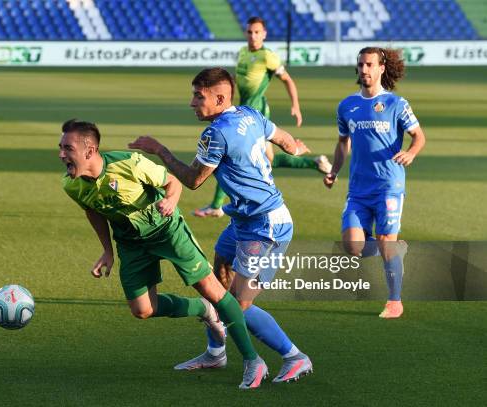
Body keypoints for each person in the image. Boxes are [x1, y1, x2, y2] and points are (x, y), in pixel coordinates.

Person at [129, 67, 313, 384]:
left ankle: (294, 357)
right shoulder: (250, 114)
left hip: (266, 225)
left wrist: (160, 151)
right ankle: (216, 353)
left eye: (198, 96)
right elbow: (282, 137)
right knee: (218, 288)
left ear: (219, 97)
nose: (192, 103)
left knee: (236, 305)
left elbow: (193, 180)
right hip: (243, 220)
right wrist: (296, 148)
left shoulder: (215, 134)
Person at [58, 119, 269, 389]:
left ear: (90, 151)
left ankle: (253, 360)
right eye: (61, 147)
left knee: (213, 289)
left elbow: (173, 183)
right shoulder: (71, 185)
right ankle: (204, 310)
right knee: (142, 310)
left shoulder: (129, 164)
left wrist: (170, 201)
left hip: (166, 231)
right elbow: (93, 211)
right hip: (131, 243)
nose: (62, 154)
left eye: (68, 148)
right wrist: (107, 251)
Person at [323, 47, 426, 318]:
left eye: (369, 64)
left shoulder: (396, 104)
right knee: (353, 247)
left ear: (381, 68)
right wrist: (334, 171)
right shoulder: (347, 106)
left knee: (384, 240)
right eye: (360, 65)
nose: (364, 70)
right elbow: (342, 142)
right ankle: (395, 249)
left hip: (389, 186)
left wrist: (411, 152)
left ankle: (395, 301)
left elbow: (419, 136)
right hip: (358, 189)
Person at [194, 16, 331, 218]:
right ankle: (315, 163)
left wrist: (295, 105)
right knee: (266, 158)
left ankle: (216, 205)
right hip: (243, 108)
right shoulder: (242, 52)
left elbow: (287, 80)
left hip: (256, 111)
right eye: (249, 32)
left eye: (257, 32)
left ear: (264, 34)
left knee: (229, 154)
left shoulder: (268, 56)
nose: (253, 36)